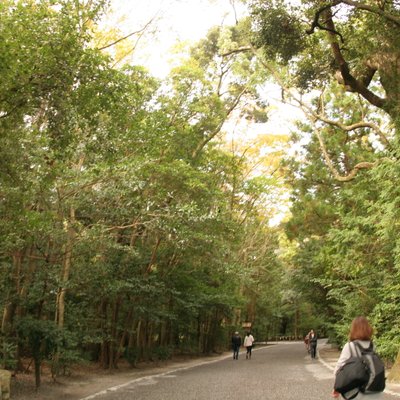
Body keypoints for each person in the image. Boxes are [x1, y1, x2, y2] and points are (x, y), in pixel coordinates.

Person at [332, 316, 383, 399]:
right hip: (375, 392)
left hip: (356, 393)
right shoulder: (372, 346)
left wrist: (336, 387)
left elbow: (339, 369)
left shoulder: (350, 346)